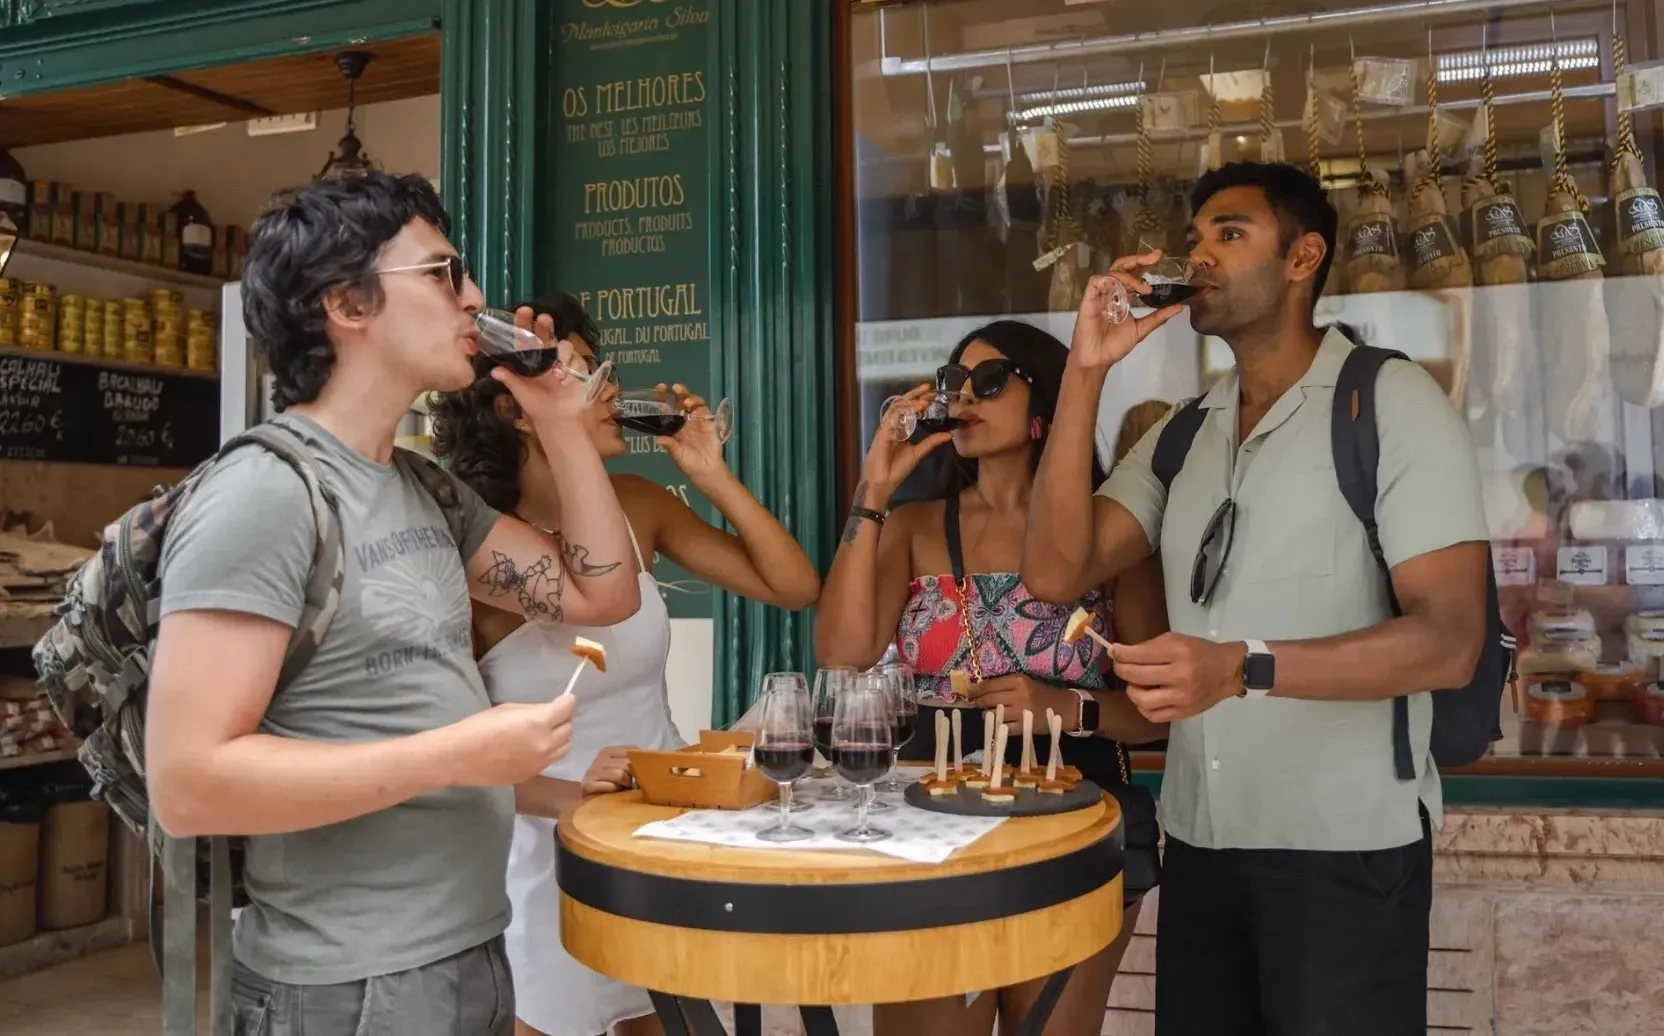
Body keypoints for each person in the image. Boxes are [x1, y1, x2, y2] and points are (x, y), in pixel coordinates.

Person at [145, 174, 643, 1036]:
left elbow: (601, 595)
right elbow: (189, 785)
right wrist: (458, 754)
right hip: (345, 988)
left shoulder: (425, 490)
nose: (476, 298)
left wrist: (561, 420)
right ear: (347, 301)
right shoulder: (267, 493)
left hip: (471, 953)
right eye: (444, 273)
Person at [1023, 161, 1490, 1035]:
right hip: (1201, 845)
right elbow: (1055, 571)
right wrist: (1085, 373)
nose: (1199, 255)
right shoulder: (1183, 432)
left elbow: (1449, 640)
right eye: (1195, 237)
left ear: (1304, 256)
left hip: (1348, 853)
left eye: (1229, 234)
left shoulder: (1389, 401)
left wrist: (1243, 668)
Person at [430, 291, 821, 1036]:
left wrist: (710, 474)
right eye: (586, 373)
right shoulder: (476, 558)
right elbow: (449, 759)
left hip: (663, 840)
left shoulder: (638, 505)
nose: (610, 390)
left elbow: (794, 586)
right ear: (517, 407)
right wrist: (575, 795)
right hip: (544, 861)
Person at [815, 319, 1167, 1036]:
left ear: (1048, 404)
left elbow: (1159, 710)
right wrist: (873, 489)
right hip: (926, 822)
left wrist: (1065, 708)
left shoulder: (1110, 536)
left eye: (989, 381)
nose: (962, 396)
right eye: (952, 382)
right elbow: (843, 655)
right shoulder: (912, 526)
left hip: (1075, 814)